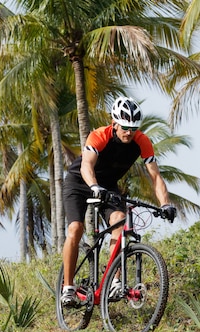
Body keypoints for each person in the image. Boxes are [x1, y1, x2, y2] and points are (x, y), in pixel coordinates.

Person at [60, 96, 177, 307]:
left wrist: (165, 204)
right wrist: (94, 187)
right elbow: (87, 165)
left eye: (133, 128)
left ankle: (114, 281)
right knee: (76, 228)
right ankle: (67, 288)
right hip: (79, 182)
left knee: (119, 221)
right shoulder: (100, 136)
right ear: (114, 124)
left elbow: (156, 176)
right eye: (124, 127)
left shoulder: (142, 141)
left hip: (108, 186)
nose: (129, 132)